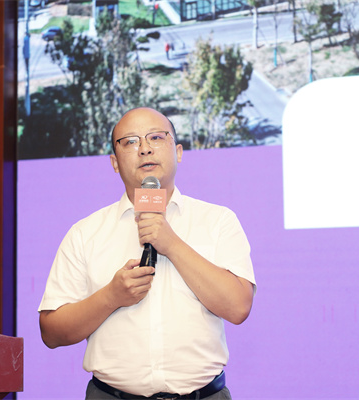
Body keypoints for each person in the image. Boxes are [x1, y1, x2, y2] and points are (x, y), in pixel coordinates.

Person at [38, 107, 256, 399]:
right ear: (114, 163)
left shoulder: (218, 221)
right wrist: (111, 296)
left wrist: (171, 243)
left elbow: (238, 307)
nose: (144, 149)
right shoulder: (84, 233)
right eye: (130, 141)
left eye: (156, 137)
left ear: (178, 152)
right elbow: (51, 332)